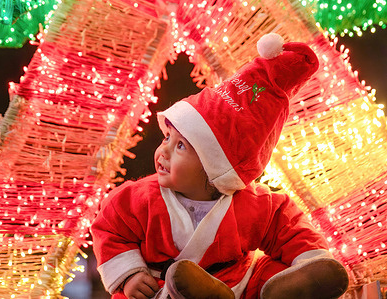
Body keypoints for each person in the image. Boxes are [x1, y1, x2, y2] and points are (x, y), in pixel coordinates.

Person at [90, 33, 349, 299]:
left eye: (180, 146)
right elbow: (109, 228)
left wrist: (309, 259)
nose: (163, 151)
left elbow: (288, 226)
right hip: (161, 286)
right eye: (168, 138)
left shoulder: (251, 204)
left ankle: (296, 287)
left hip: (236, 282)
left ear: (216, 169)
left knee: (269, 273)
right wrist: (130, 274)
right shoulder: (137, 199)